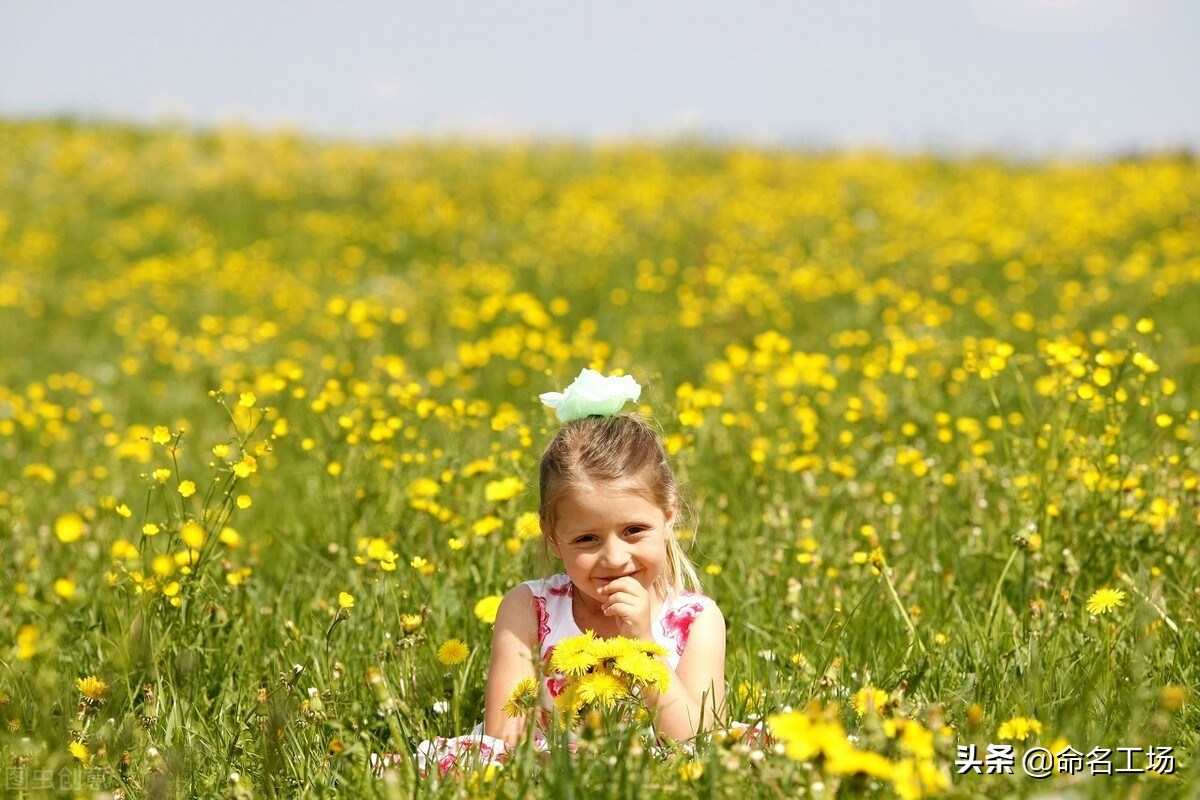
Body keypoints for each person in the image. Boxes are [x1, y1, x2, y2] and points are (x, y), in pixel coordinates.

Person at [407, 369, 728, 776]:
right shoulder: (529, 608)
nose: (614, 558)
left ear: (668, 517)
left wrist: (644, 645)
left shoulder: (696, 621)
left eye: (634, 531)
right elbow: (503, 736)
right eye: (587, 540)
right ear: (554, 538)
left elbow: (697, 742)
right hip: (543, 769)